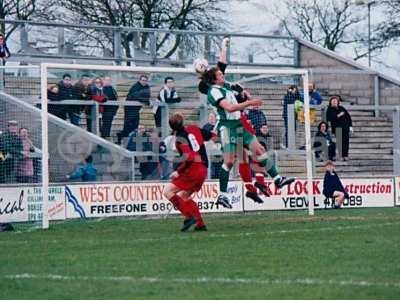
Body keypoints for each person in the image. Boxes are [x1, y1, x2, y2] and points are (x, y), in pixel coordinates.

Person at [203, 67, 295, 208]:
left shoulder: (225, 85)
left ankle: (277, 179)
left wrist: (243, 91)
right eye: (220, 74)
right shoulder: (213, 91)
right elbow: (229, 108)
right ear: (214, 79)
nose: (223, 75)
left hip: (240, 125)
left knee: (259, 151)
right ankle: (222, 195)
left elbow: (235, 85)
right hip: (227, 127)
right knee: (229, 162)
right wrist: (250, 103)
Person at [197, 38, 271, 203]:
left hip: (238, 117)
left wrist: (224, 47)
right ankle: (257, 184)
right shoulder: (212, 88)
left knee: (245, 155)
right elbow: (219, 68)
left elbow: (222, 62)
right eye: (217, 74)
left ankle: (252, 188)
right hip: (236, 120)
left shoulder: (223, 83)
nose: (221, 74)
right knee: (251, 152)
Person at [163, 113, 213, 232]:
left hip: (193, 169)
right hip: (203, 169)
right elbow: (211, 135)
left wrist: (178, 172)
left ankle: (189, 216)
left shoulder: (179, 139)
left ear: (172, 127)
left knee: (167, 191)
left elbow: (189, 158)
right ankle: (200, 224)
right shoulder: (193, 128)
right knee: (184, 196)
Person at [117, 75, 150, 144]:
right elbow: (135, 96)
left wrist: (144, 100)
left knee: (135, 124)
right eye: (143, 80)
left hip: (137, 109)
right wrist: (144, 100)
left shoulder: (147, 87)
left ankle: (129, 139)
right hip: (129, 108)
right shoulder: (135, 86)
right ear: (140, 80)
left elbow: (147, 96)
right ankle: (122, 137)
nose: (144, 82)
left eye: (145, 80)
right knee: (128, 124)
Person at [326, 95, 353, 161]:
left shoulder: (342, 108)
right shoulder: (329, 109)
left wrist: (350, 126)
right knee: (340, 142)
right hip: (337, 128)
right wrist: (339, 115)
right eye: (333, 101)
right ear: (330, 102)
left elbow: (348, 117)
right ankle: (341, 156)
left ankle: (345, 155)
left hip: (345, 128)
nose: (334, 102)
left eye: (336, 101)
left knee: (346, 142)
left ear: (338, 102)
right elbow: (330, 119)